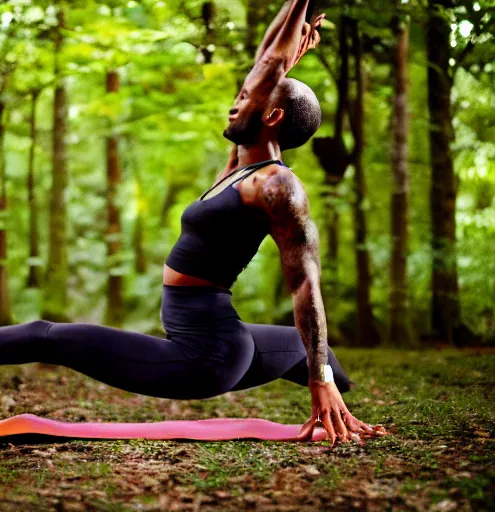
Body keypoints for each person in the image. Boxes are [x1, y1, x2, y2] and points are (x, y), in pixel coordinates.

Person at [0, 0, 386, 448]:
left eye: (248, 98)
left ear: (273, 116)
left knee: (44, 336)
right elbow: (268, 63)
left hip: (203, 355)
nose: (237, 100)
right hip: (226, 339)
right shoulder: (241, 167)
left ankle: (329, 390)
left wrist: (320, 379)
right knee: (308, 352)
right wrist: (296, 31)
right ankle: (341, 402)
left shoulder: (276, 184)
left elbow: (306, 285)